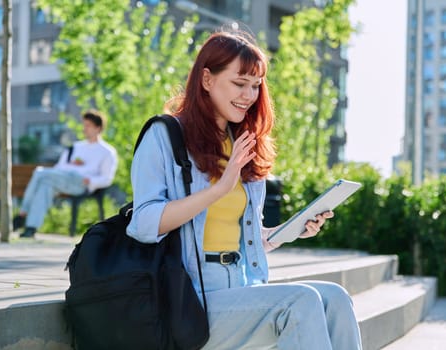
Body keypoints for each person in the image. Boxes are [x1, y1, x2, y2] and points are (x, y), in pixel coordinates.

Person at [126, 31, 362, 349]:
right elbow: (143, 224)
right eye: (240, 83)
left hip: (242, 284)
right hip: (188, 301)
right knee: (300, 301)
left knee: (336, 298)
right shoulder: (165, 135)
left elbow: (245, 237)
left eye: (256, 85)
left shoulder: (242, 142)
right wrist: (220, 188)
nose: (250, 95)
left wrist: (291, 231)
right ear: (207, 79)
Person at [14, 109, 118, 238]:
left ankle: (22, 213)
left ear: (98, 128)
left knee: (39, 173)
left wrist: (90, 181)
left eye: (88, 126)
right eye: (83, 125)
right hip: (62, 179)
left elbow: (107, 178)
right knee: (45, 184)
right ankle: (31, 228)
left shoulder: (107, 151)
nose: (84, 129)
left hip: (81, 184)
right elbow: (59, 167)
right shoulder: (75, 147)